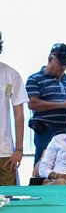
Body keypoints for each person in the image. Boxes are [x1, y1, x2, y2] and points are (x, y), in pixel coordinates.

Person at [25, 42, 66, 165]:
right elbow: (32, 103)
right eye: (60, 63)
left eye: (65, 64)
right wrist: (61, 105)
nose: (63, 67)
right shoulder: (35, 79)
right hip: (46, 130)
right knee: (42, 164)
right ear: (50, 59)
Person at [0, 32, 27, 186]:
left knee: (9, 200)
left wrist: (19, 149)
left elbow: (19, 115)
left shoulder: (10, 74)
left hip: (5, 152)